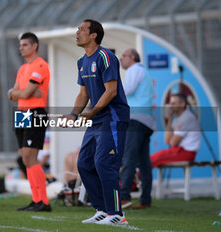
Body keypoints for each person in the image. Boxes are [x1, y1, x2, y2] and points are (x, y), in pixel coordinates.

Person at [62, 19, 129, 225]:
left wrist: (93, 112)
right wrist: (73, 115)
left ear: (94, 35)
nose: (77, 32)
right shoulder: (81, 62)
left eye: (82, 29)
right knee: (84, 164)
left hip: (113, 118)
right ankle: (102, 210)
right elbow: (83, 94)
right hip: (96, 120)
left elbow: (111, 91)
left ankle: (117, 214)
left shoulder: (106, 57)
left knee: (104, 164)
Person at [8, 32, 51, 212]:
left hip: (35, 112)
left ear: (35, 46)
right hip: (21, 113)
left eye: (25, 45)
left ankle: (44, 201)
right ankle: (36, 200)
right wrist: (22, 92)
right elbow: (12, 94)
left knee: (30, 157)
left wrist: (21, 92)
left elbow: (21, 93)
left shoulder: (40, 65)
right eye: (20, 45)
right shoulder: (22, 69)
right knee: (25, 158)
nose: (21, 48)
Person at [119, 49, 155, 210]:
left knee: (129, 158)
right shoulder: (144, 71)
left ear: (132, 58)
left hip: (136, 119)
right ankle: (145, 199)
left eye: (123, 56)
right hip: (147, 121)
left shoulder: (135, 69)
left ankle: (125, 197)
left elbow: (127, 90)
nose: (121, 59)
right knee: (144, 162)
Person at [150, 93, 201, 169]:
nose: (170, 106)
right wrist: (170, 119)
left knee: (156, 157)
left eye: (173, 103)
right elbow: (167, 140)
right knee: (154, 157)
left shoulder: (186, 117)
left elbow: (173, 143)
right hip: (179, 150)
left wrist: (172, 140)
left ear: (182, 104)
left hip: (186, 152)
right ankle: (137, 177)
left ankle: (137, 177)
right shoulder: (177, 118)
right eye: (170, 103)